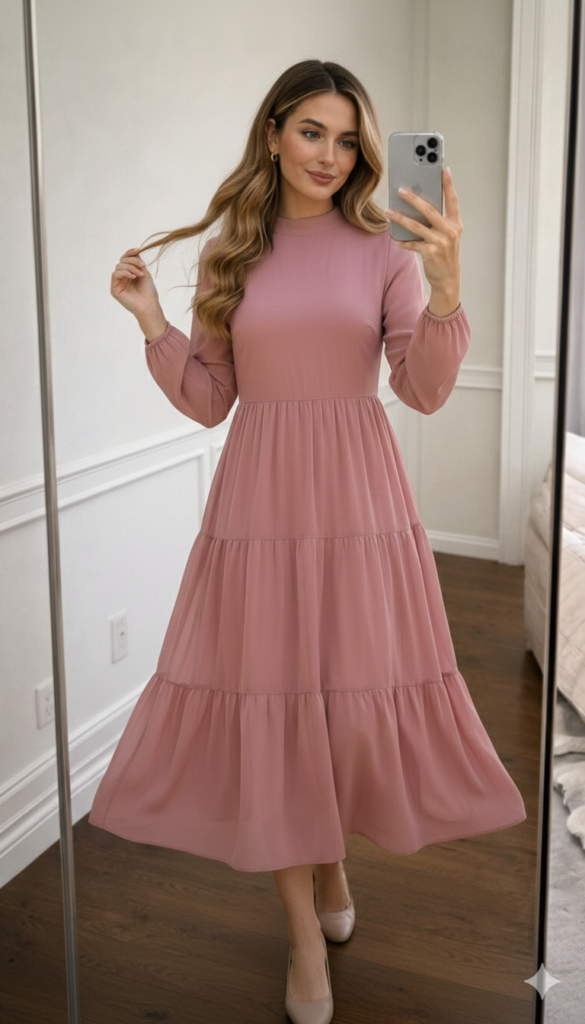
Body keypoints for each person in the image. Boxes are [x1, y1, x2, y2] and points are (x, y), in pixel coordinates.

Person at [89, 59, 526, 1024]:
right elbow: (210, 400)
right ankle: (301, 940)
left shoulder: (385, 251)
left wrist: (445, 286)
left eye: (347, 138)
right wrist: (152, 322)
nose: (330, 155)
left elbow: (422, 389)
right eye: (312, 132)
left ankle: (331, 863)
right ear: (275, 133)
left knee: (340, 702)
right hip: (260, 508)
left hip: (360, 505)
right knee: (275, 703)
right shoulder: (229, 255)